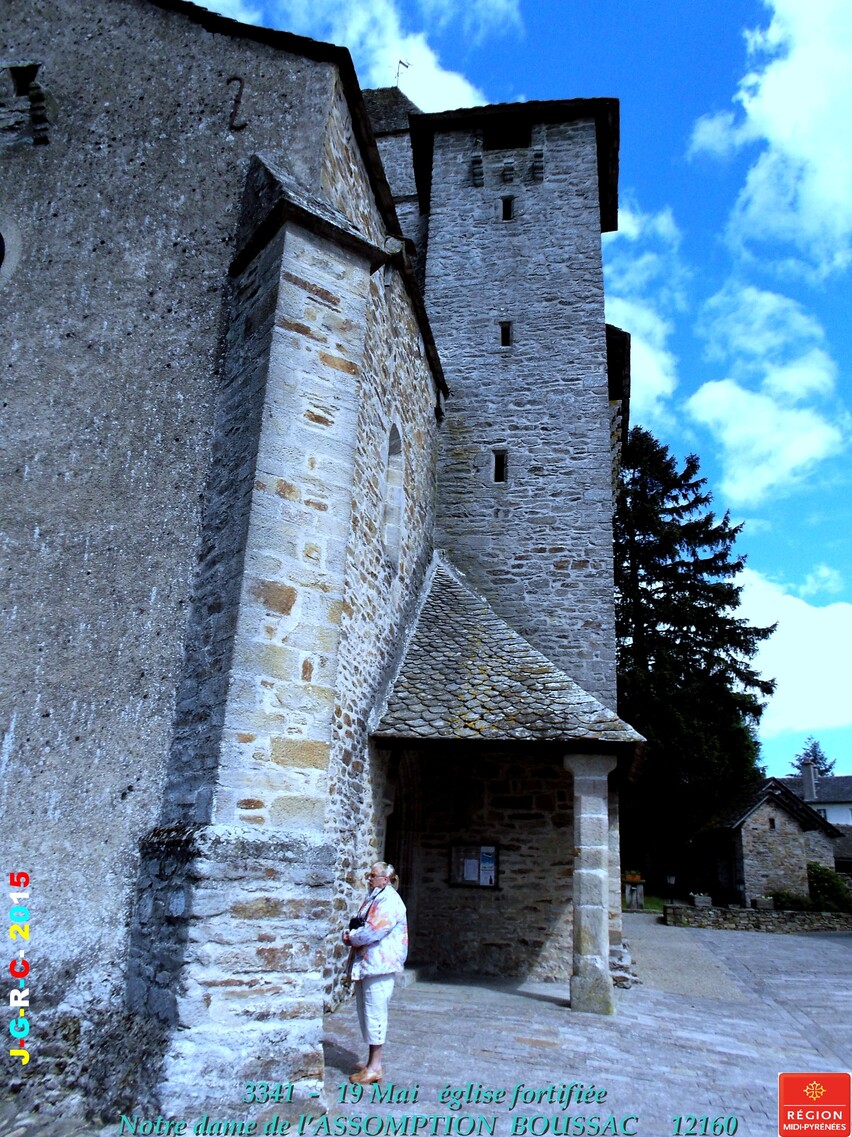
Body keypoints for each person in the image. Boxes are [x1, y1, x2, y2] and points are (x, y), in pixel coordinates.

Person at [342, 861, 408, 1085]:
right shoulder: (375, 897)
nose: (369, 879)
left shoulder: (389, 900)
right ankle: (371, 1063)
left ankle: (376, 1066)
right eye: (369, 875)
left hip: (380, 963)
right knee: (367, 1012)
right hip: (369, 963)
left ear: (385, 879)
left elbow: (374, 929)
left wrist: (352, 937)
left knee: (375, 1013)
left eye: (373, 875)